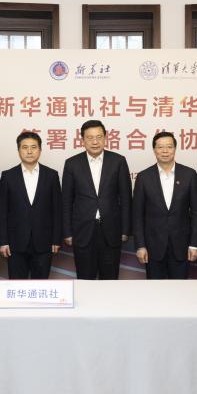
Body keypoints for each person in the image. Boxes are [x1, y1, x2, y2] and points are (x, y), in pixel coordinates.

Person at [62, 120, 132, 280]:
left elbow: (126, 198)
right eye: (90, 137)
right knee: (85, 279)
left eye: (99, 137)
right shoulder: (72, 164)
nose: (95, 141)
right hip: (82, 231)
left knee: (110, 279)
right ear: (82, 140)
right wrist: (67, 231)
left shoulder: (118, 161)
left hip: (111, 231)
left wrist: (125, 230)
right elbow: (66, 201)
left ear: (105, 138)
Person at [132, 131, 197, 280]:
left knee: (179, 289)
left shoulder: (189, 175)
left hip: (182, 246)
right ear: (154, 150)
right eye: (160, 147)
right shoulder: (144, 177)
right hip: (152, 248)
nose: (165, 151)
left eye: (169, 147)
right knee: (155, 290)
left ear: (175, 149)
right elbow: (137, 215)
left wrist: (195, 244)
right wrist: (140, 245)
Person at [0, 131, 63, 279]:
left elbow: (57, 210)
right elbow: (1, 211)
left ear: (40, 150)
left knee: (41, 285)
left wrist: (56, 239)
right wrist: (3, 241)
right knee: (16, 285)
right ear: (18, 150)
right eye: (25, 147)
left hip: (44, 242)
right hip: (15, 243)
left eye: (33, 147)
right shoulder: (8, 176)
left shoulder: (51, 175)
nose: (29, 151)